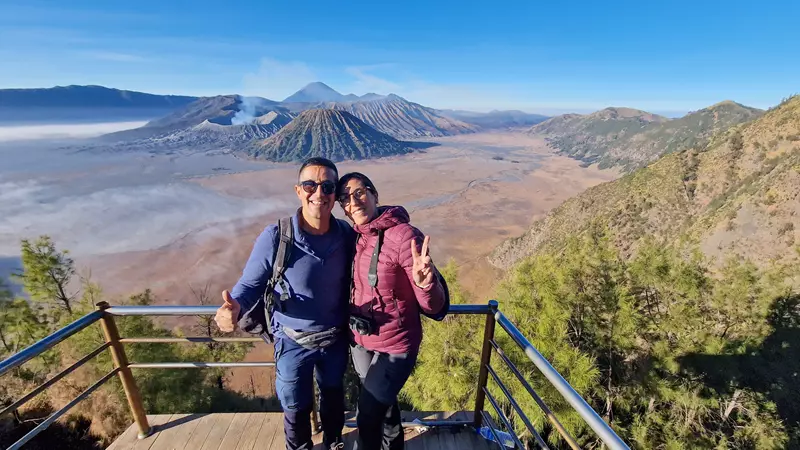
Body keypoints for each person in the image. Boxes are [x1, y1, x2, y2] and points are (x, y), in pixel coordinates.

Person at [214, 157, 355, 450]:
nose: (319, 193)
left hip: (335, 339)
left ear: (335, 193)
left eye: (327, 186)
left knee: (332, 397)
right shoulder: (278, 237)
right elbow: (250, 285)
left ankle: (333, 443)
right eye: (310, 185)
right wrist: (234, 308)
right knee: (294, 405)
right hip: (292, 341)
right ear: (298, 190)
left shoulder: (346, 234)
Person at [336, 172, 447, 450]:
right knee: (384, 407)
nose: (354, 202)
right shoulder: (354, 237)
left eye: (360, 192)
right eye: (345, 199)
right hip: (362, 341)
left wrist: (425, 284)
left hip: (396, 345)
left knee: (368, 415)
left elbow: (434, 306)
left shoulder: (404, 236)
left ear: (375, 195)